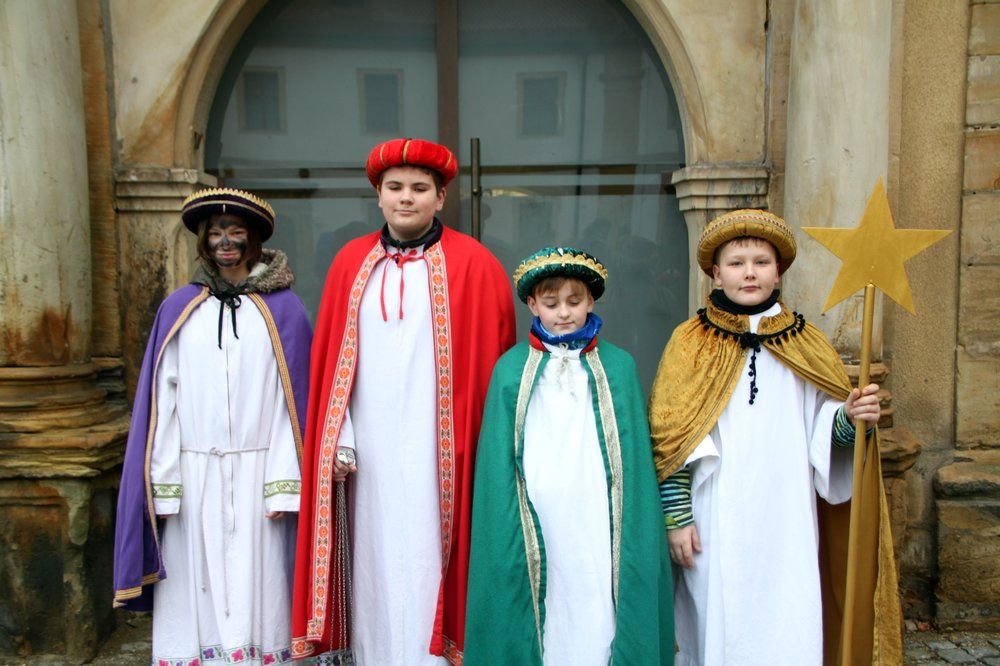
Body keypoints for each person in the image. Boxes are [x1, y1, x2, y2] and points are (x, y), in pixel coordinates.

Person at [292, 138, 516, 664]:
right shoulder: (350, 264)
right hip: (368, 453)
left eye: (419, 188)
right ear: (379, 195)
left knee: (428, 553)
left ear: (441, 198)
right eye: (395, 187)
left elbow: (495, 370)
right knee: (374, 558)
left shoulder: (476, 266)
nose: (406, 197)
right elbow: (332, 368)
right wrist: (339, 438)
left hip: (441, 452)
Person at [649, 209, 901, 665]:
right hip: (714, 517)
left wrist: (848, 417)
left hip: (787, 519)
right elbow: (672, 438)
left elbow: (822, 427)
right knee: (715, 626)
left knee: (788, 619)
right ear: (715, 273)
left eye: (761, 262)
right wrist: (677, 517)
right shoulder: (689, 342)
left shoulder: (805, 343)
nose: (749, 272)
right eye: (736, 262)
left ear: (778, 271)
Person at [113, 188, 312, 665]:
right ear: (203, 241)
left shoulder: (284, 311)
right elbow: (162, 403)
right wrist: (164, 483)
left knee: (260, 578)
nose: (226, 242)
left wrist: (284, 483)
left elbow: (292, 404)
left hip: (260, 471)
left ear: (254, 240)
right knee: (195, 579)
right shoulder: (180, 308)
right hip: (195, 471)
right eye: (216, 233)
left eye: (236, 232)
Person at [464, 247, 674, 665]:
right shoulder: (510, 370)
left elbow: (633, 465)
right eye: (551, 303)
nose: (563, 313)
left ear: (591, 301)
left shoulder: (619, 367)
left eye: (574, 301)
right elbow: (497, 467)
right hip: (537, 508)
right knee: (545, 599)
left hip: (598, 512)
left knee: (597, 597)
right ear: (532, 304)